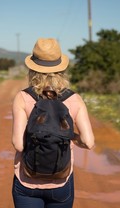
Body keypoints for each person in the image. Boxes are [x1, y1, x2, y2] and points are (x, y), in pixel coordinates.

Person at [11, 38, 95, 208]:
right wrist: (69, 135)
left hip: (27, 180)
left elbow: (19, 145)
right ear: (61, 68)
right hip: (61, 182)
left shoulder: (23, 98)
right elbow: (88, 142)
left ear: (32, 68)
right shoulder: (75, 99)